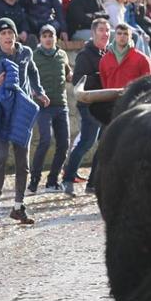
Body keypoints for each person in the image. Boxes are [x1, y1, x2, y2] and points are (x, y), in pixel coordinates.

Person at [0, 18, 49, 224]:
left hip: (22, 113)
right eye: (3, 34)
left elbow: (33, 73)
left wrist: (39, 92)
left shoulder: (25, 53)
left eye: (11, 32)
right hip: (0, 114)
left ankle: (19, 207)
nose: (8, 37)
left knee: (22, 163)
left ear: (16, 35)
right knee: (0, 158)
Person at [61, 18, 110, 196]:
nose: (105, 34)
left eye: (107, 30)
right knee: (87, 141)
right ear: (93, 33)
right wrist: (100, 76)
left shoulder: (109, 53)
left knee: (105, 143)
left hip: (106, 104)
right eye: (102, 30)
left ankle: (93, 183)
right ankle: (68, 178)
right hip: (89, 104)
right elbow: (78, 80)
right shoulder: (85, 54)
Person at [29, 25, 71, 194]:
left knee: (64, 144)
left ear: (56, 38)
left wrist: (73, 77)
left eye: (51, 35)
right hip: (43, 106)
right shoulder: (33, 56)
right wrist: (34, 92)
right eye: (45, 35)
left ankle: (52, 181)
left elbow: (68, 73)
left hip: (61, 105)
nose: (48, 38)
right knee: (45, 140)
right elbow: (27, 76)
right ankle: (34, 179)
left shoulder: (62, 55)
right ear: (40, 38)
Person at [99, 23, 151, 89]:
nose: (122, 36)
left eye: (126, 34)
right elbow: (104, 84)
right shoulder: (104, 60)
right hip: (111, 99)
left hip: (134, 98)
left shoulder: (143, 59)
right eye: (119, 33)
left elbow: (150, 86)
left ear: (130, 37)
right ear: (115, 36)